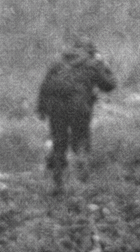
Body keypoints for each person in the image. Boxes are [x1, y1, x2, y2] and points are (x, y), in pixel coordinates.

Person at [36, 41, 116, 191]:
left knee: (59, 141)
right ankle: (81, 166)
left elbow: (44, 86)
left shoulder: (58, 62)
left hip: (56, 107)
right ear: (90, 51)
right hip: (79, 107)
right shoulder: (93, 64)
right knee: (80, 139)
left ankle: (58, 181)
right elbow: (110, 85)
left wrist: (41, 109)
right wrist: (105, 65)